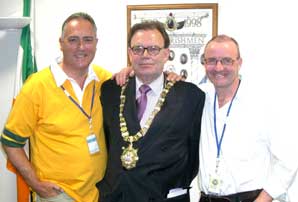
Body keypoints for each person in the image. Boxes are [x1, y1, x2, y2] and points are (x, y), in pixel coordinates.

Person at [1, 12, 111, 202]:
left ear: (96, 42)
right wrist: (34, 183)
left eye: (87, 40)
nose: (81, 47)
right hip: (58, 195)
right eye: (73, 40)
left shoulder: (104, 80)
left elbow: (136, 81)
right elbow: (10, 142)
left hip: (98, 192)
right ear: (61, 43)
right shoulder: (37, 86)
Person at [97, 20, 205, 202]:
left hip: (164, 197)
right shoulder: (110, 90)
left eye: (153, 49)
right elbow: (107, 142)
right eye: (138, 49)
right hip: (116, 196)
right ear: (130, 53)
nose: (145, 55)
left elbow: (194, 151)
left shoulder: (190, 97)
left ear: (166, 54)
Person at [197, 34, 298, 201]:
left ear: (239, 63)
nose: (219, 67)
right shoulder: (200, 98)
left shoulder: (263, 103)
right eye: (212, 60)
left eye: (227, 60)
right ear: (204, 63)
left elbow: (289, 159)